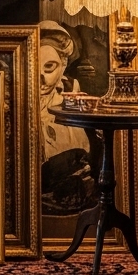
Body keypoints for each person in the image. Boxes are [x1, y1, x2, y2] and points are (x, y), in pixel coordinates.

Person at [37, 21, 93, 215]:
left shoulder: (70, 95)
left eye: (49, 67)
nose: (40, 77)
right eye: (33, 67)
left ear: (63, 66)